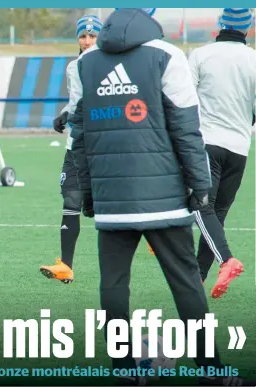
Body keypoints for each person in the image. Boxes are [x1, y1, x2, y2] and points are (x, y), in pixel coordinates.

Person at [67, 8, 253, 385]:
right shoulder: (168, 57)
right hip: (165, 197)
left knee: (113, 284)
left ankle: (123, 372)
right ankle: (211, 373)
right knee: (185, 280)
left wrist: (87, 195)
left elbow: (79, 137)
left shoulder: (86, 64)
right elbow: (187, 129)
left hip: (112, 199)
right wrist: (200, 189)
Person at [188, 8, 255, 299]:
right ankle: (197, 281)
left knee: (199, 207)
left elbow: (185, 101)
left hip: (207, 143)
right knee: (217, 213)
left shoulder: (201, 55)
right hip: (240, 148)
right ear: (248, 28)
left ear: (220, 24)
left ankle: (226, 260)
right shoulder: (254, 59)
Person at [39, 14, 103, 284]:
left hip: (99, 145)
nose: (87, 41)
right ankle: (66, 265)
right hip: (77, 143)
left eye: (92, 35)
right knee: (71, 200)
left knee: (107, 205)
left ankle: (155, 235)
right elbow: (77, 101)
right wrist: (64, 114)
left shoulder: (105, 64)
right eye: (83, 36)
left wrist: (69, 114)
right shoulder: (73, 67)